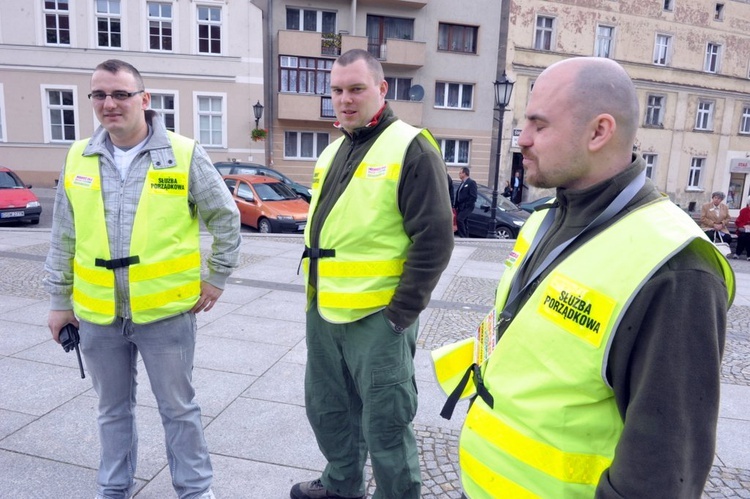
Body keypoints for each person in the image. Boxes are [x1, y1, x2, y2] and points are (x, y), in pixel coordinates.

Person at [432, 57, 734, 497]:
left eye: (539, 125)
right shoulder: (546, 220)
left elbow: (663, 469)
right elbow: (517, 328)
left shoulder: (675, 267)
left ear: (599, 132)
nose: (522, 140)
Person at [43, 59, 241, 499]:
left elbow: (225, 217)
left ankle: (194, 490)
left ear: (144, 100)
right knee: (112, 410)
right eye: (99, 95)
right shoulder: (79, 156)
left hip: (166, 313)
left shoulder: (183, 153)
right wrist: (59, 302)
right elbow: (63, 235)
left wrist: (218, 276)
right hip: (97, 314)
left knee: (179, 409)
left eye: (120, 94)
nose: (109, 104)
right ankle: (113, 488)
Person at [292, 49, 454, 499]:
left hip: (379, 318)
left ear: (381, 89)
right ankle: (342, 484)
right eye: (338, 90)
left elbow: (435, 240)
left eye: (356, 88)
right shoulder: (335, 149)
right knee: (329, 409)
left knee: (385, 421)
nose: (345, 99)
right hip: (325, 310)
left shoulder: (411, 146)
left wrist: (400, 313)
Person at [454, 166, 477, 238]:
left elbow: (473, 196)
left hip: (467, 206)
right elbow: (459, 195)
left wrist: (467, 204)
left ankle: (463, 236)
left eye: (460, 173)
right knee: (464, 221)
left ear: (465, 173)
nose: (459, 174)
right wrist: (456, 205)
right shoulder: (462, 183)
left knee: (459, 219)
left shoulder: (471, 183)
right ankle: (466, 237)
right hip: (460, 206)